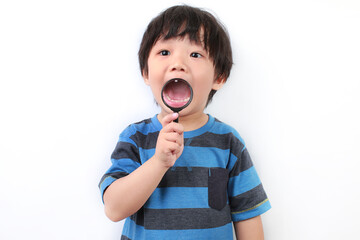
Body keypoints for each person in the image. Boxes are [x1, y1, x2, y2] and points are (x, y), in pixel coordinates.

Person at [99, 5, 271, 240]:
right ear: (146, 73)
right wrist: (158, 162)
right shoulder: (135, 137)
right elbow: (114, 208)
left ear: (218, 77)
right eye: (165, 52)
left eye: (195, 54)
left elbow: (248, 214)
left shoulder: (228, 142)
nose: (178, 63)